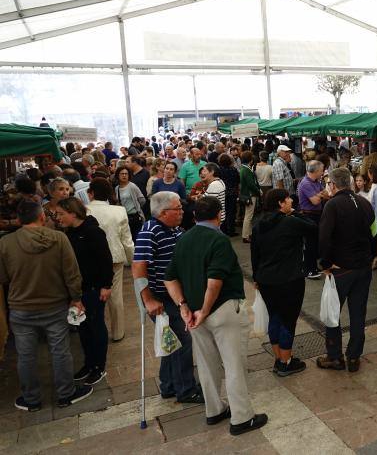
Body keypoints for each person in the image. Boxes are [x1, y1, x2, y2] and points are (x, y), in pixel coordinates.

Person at [164, 197, 267, 435]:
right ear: (219, 215)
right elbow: (215, 281)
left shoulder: (184, 239)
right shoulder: (219, 239)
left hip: (195, 313)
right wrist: (205, 310)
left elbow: (169, 277)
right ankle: (242, 417)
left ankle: (214, 410)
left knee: (206, 365)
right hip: (220, 310)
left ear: (194, 216)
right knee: (234, 364)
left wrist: (184, 307)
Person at [0, 200, 93, 411]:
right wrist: (76, 298)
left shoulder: (6, 243)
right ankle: (65, 394)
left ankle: (31, 399)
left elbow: (3, 276)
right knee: (60, 351)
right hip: (55, 304)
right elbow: (72, 273)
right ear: (42, 217)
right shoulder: (59, 239)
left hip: (21, 307)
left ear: (19, 219)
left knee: (26, 355)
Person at [133, 192, 203, 404]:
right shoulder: (150, 230)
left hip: (174, 294)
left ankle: (169, 385)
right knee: (182, 340)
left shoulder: (172, 229)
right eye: (178, 209)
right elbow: (138, 268)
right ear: (164, 213)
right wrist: (148, 300)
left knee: (170, 341)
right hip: (162, 297)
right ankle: (186, 389)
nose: (182, 212)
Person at [315, 168, 377, 373]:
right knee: (358, 313)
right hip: (363, 268)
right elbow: (374, 233)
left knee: (333, 313)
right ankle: (353, 356)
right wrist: (370, 256)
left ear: (333, 184)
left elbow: (324, 237)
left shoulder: (332, 205)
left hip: (341, 269)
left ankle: (334, 356)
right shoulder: (365, 203)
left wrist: (325, 264)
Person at [251, 188, 316, 376]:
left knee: (275, 316)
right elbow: (312, 227)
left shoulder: (258, 224)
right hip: (289, 280)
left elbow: (255, 254)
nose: (291, 202)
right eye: (288, 199)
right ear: (281, 203)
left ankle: (279, 358)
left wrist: (256, 277)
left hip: (265, 279)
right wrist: (295, 213)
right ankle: (286, 362)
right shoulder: (290, 222)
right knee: (289, 320)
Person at [57, 197, 114, 385]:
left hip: (94, 289)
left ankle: (99, 366)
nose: (58, 217)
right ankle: (89, 363)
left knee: (95, 326)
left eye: (61, 214)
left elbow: (105, 260)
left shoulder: (93, 232)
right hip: (78, 290)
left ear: (73, 213)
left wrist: (106, 285)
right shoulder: (70, 233)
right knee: (83, 328)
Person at [87, 178, 134, 343]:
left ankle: (94, 331)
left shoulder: (83, 210)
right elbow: (127, 240)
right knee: (115, 296)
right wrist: (133, 261)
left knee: (91, 295)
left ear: (90, 193)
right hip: (114, 257)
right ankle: (118, 332)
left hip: (89, 260)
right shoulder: (119, 211)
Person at [297, 160, 328, 280]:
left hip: (316, 215)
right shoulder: (306, 183)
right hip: (308, 216)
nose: (322, 173)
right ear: (315, 171)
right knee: (310, 244)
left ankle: (313, 267)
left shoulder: (315, 182)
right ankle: (309, 270)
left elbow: (326, 194)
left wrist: (318, 195)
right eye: (321, 171)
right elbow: (315, 201)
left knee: (315, 243)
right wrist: (320, 195)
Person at [115, 165, 146, 237]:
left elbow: (142, 200)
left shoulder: (132, 186)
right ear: (118, 175)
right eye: (122, 174)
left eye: (126, 174)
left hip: (135, 217)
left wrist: (137, 207)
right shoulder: (117, 188)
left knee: (137, 238)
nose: (124, 175)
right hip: (124, 218)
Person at [238, 151, 260, 243]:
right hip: (250, 195)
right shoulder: (246, 170)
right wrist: (258, 191)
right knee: (248, 216)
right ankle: (246, 236)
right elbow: (251, 184)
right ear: (250, 160)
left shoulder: (244, 168)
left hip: (247, 194)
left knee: (248, 215)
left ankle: (248, 234)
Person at [217, 154, 240, 236]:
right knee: (231, 212)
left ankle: (223, 229)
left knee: (223, 211)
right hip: (232, 193)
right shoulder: (233, 170)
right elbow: (238, 180)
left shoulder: (218, 170)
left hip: (222, 192)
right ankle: (231, 230)